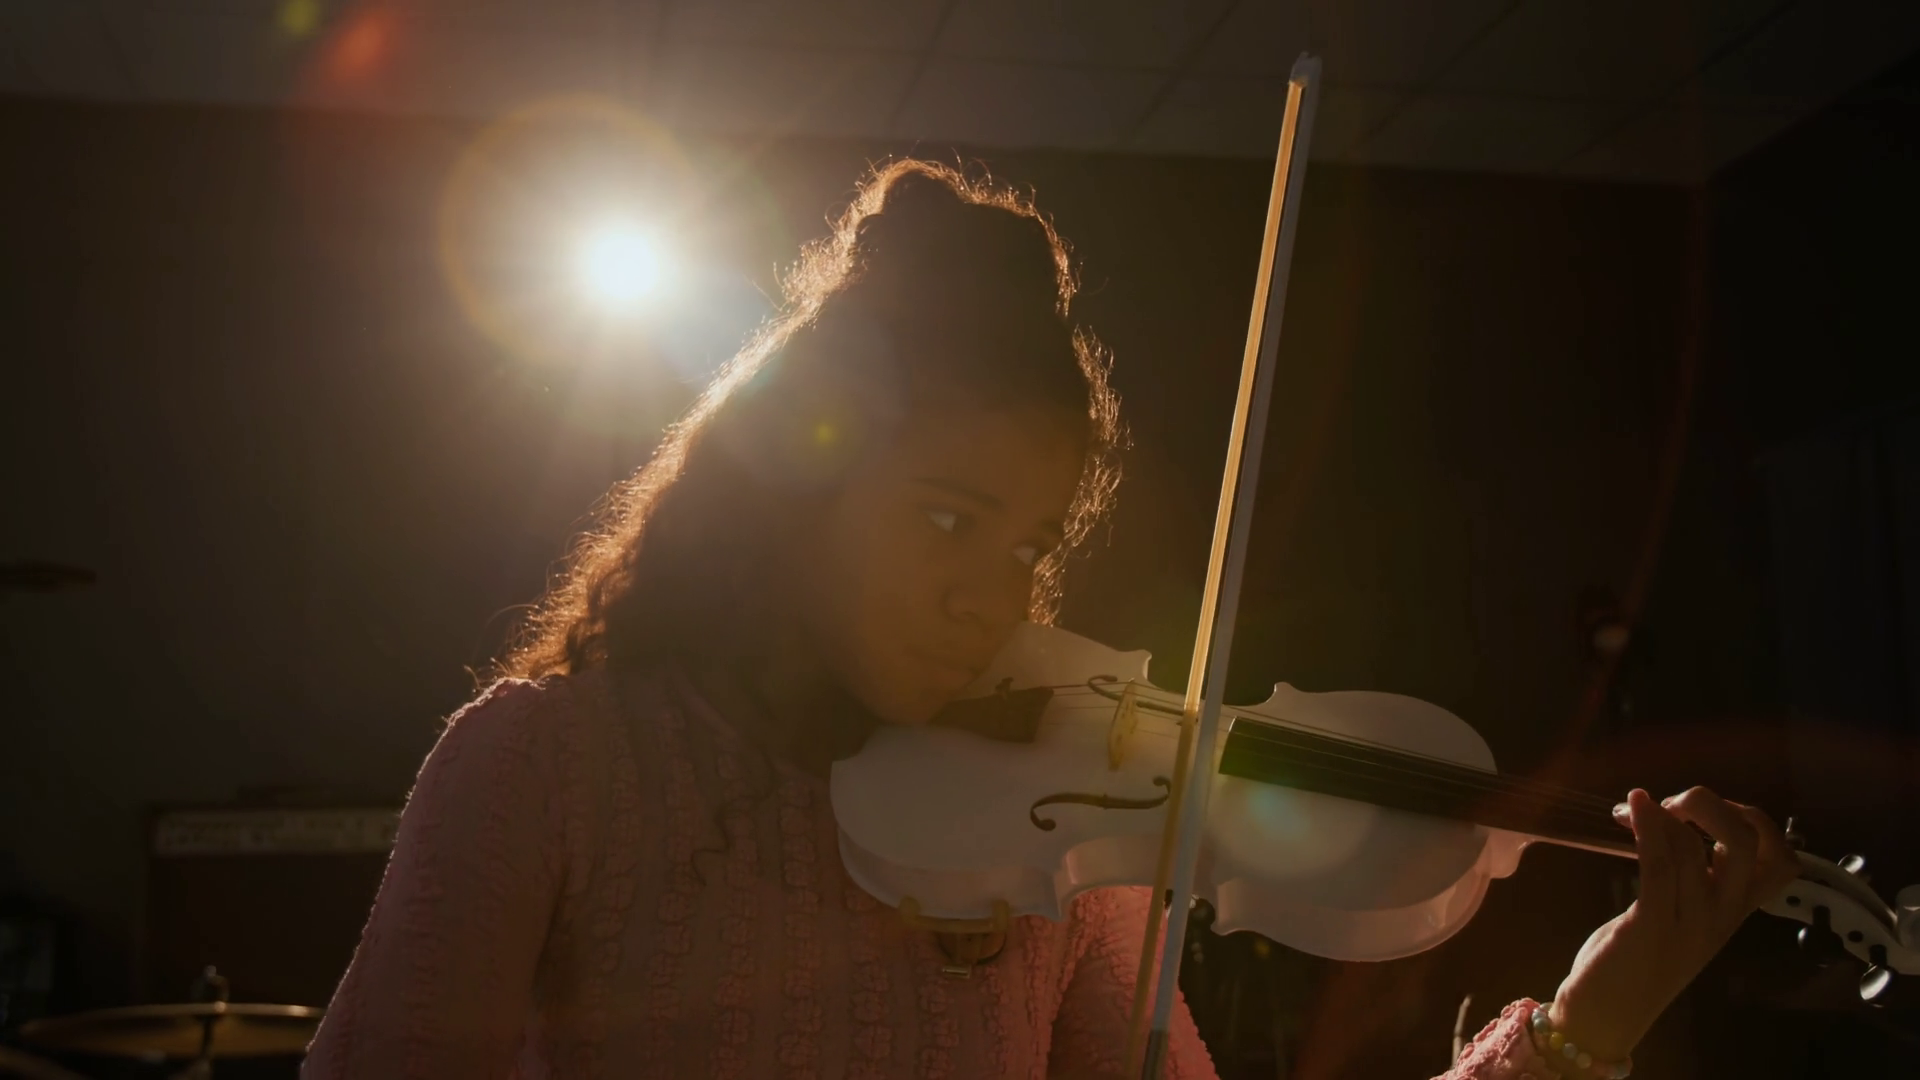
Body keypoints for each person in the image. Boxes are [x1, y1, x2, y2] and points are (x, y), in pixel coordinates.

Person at [302, 160, 1797, 1080]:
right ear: (789, 488)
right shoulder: (545, 765)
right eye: (950, 518)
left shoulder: (1054, 852)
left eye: (1031, 544)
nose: (998, 594)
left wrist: (1586, 1026)